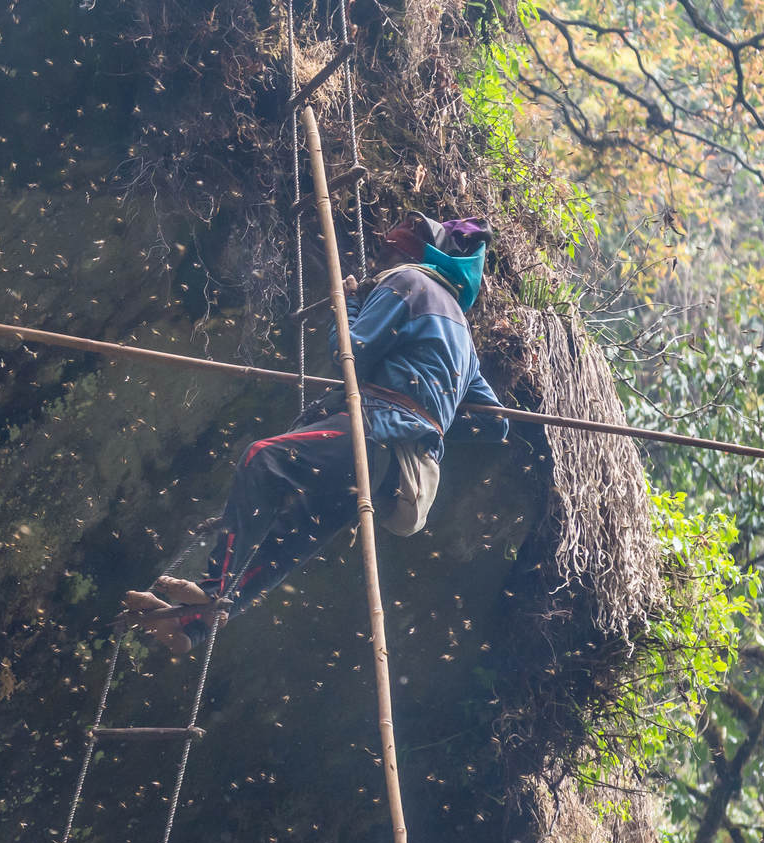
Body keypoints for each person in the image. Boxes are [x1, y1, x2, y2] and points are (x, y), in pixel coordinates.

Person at [121, 212, 511, 652]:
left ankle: (213, 589)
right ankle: (192, 625)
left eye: (389, 247)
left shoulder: (407, 282)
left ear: (413, 255)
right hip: (396, 473)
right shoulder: (463, 334)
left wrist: (346, 308)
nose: (380, 253)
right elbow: (495, 424)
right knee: (289, 536)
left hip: (374, 432)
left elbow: (351, 351)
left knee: (261, 459)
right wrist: (429, 412)